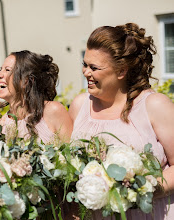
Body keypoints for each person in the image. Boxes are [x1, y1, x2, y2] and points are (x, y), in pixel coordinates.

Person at [69, 23, 174, 219]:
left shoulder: (154, 105)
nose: (86, 72)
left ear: (121, 71)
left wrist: (141, 192)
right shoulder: (79, 105)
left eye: (94, 67)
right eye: (84, 64)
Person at [0, 50, 72, 144]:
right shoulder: (1, 124)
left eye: (7, 70)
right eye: (0, 69)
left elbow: (73, 152)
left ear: (26, 80)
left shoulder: (52, 111)